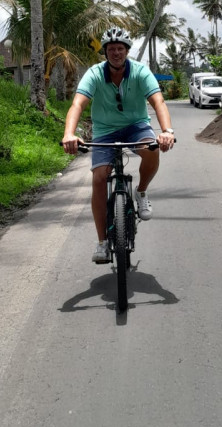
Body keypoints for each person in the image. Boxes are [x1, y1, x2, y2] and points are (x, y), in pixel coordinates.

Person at [62, 26, 176, 263]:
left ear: (127, 51)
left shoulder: (141, 71)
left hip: (136, 126)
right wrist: (69, 134)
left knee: (151, 149)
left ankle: (142, 191)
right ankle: (102, 242)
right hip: (104, 131)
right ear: (105, 52)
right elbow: (77, 105)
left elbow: (159, 101)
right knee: (99, 178)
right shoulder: (94, 74)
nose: (116, 53)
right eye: (111, 49)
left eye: (120, 48)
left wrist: (167, 131)